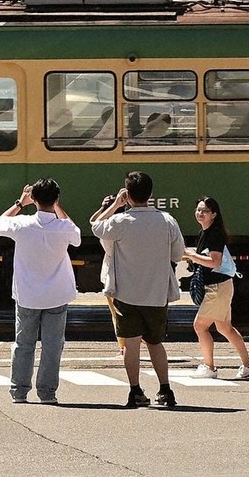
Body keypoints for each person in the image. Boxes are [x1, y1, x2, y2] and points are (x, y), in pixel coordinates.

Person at [91, 171, 185, 407]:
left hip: (126, 293)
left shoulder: (120, 222)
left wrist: (115, 204)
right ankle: (166, 390)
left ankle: (135, 391)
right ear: (151, 194)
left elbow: (95, 227)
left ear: (128, 194)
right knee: (155, 342)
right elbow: (177, 254)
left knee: (131, 345)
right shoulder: (167, 220)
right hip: (156, 293)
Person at [0, 179, 81, 405]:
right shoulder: (64, 228)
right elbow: (77, 237)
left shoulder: (21, 225)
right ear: (56, 199)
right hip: (57, 294)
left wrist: (20, 203)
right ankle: (47, 393)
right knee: (53, 346)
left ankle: (19, 391)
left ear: (34, 199)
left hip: (27, 294)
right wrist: (58, 208)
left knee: (24, 344)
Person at [185, 196, 249, 379]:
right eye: (199, 210)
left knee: (200, 326)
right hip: (221, 285)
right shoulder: (206, 232)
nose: (200, 213)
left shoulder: (213, 234)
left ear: (214, 214)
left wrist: (192, 256)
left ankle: (209, 367)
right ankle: (248, 365)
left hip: (217, 287)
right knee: (225, 328)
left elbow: (214, 262)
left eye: (205, 211)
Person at [90, 194, 127, 355]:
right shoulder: (127, 224)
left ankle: (123, 346)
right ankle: (131, 342)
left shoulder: (106, 229)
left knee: (116, 313)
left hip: (111, 271)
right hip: (127, 269)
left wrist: (105, 207)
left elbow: (94, 222)